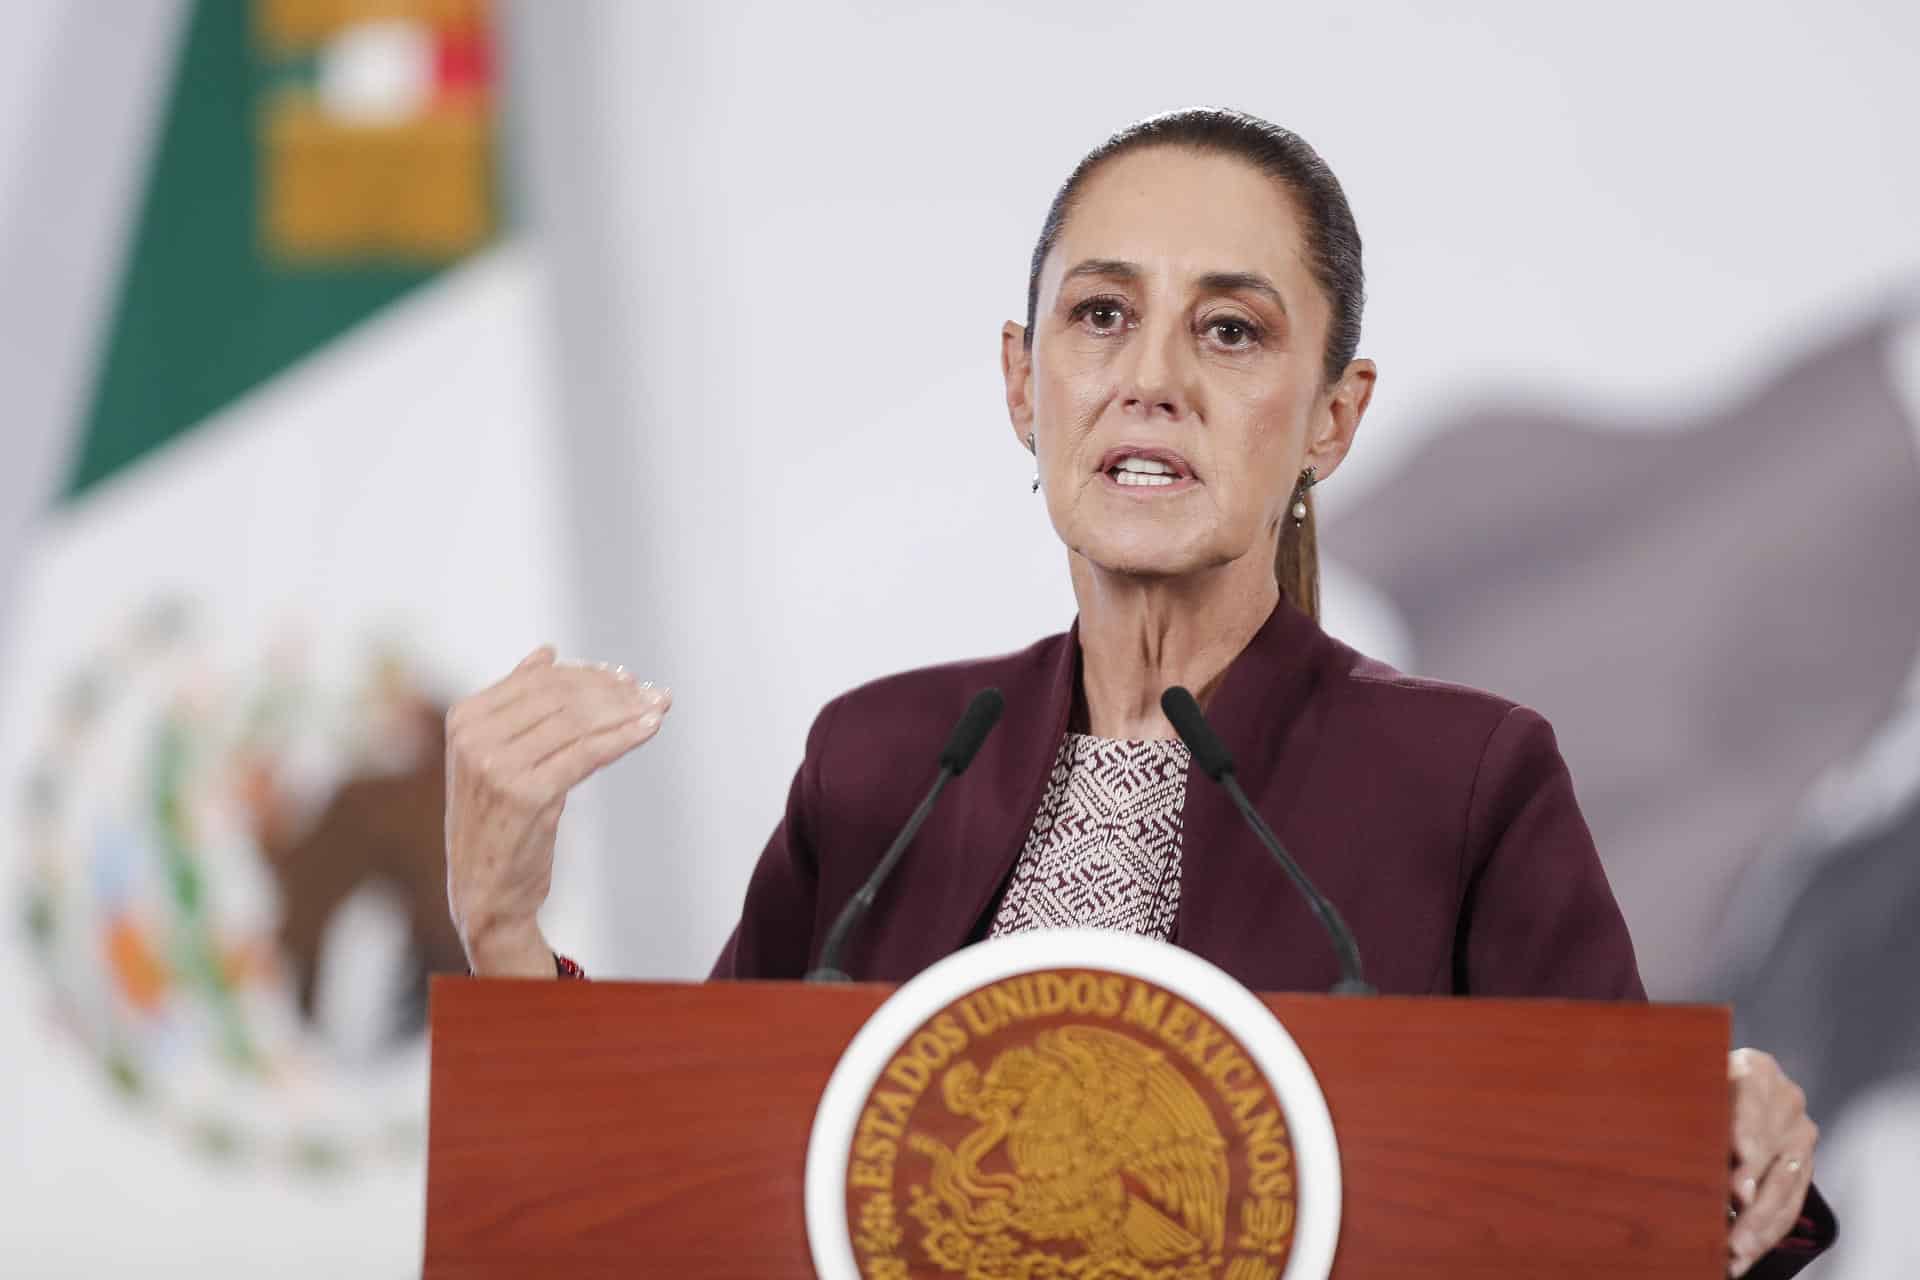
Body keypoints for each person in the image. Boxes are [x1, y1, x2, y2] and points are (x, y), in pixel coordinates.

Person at [443, 109, 1832, 1277]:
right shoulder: (885, 763)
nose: (1152, 378)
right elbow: (679, 1203)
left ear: (1331, 421)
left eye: (1230, 333)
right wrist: (505, 934)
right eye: (1102, 315)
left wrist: (1718, 1135)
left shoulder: (1463, 779)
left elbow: (1642, 1212)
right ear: (1022, 382)